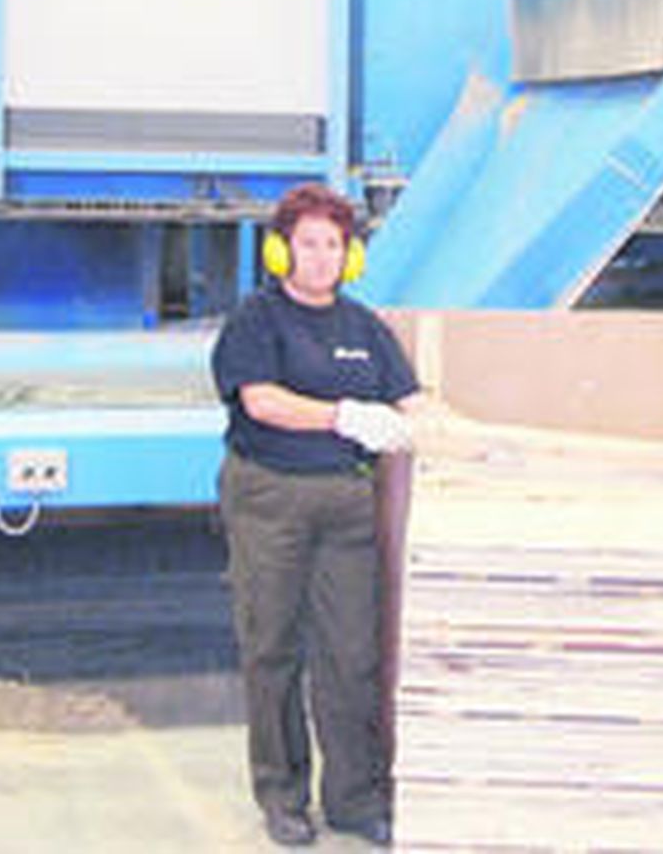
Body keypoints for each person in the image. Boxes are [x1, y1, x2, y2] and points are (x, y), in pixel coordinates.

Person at [211, 183, 421, 849]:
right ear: (282, 250)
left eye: (334, 244)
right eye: (309, 243)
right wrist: (343, 415)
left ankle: (355, 799)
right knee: (272, 646)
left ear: (350, 255)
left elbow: (411, 399)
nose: (323, 256)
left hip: (346, 503)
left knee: (352, 654)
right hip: (269, 496)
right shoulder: (256, 320)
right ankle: (282, 796)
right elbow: (262, 401)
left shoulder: (366, 329)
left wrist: (443, 427)